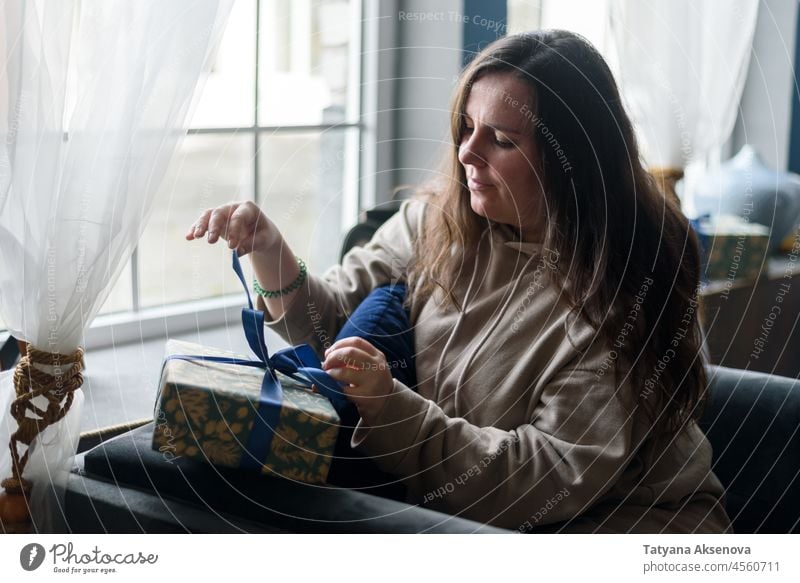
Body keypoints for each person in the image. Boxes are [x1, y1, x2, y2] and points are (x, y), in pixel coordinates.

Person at [186, 30, 730, 533]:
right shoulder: (437, 223)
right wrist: (268, 248)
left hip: (621, 525)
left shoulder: (619, 299)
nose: (467, 153)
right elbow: (324, 324)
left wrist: (389, 407)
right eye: (466, 127)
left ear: (574, 161)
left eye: (501, 140)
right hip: (476, 520)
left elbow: (540, 481)